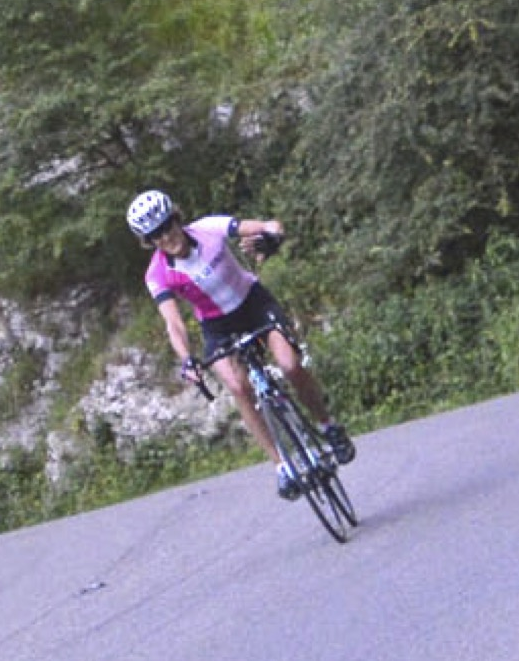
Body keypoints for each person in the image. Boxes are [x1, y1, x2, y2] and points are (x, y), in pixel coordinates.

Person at [130, 188, 354, 492]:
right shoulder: (157, 274)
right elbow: (173, 322)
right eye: (156, 235)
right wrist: (186, 359)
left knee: (289, 364)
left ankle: (329, 427)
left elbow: (267, 225)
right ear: (150, 241)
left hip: (253, 304)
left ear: (176, 218)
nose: (166, 236)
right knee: (238, 387)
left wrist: (272, 236)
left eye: (167, 226)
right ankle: (282, 465)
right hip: (217, 326)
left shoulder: (208, 229)